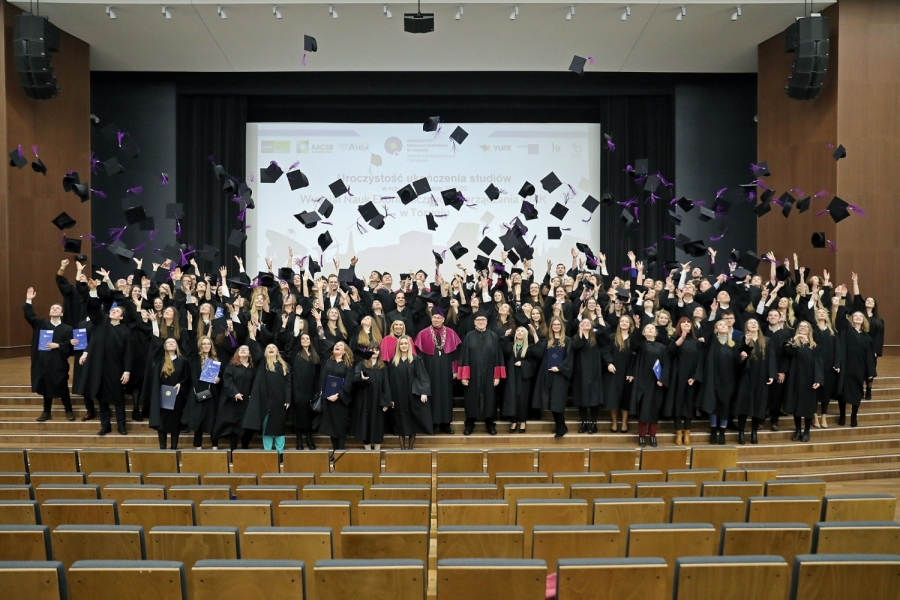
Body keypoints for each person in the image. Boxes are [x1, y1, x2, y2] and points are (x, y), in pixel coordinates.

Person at [79, 303, 133, 436]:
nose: (113, 312)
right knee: (102, 399)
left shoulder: (126, 331)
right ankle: (105, 426)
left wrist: (127, 371)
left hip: (116, 369)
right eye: (112, 310)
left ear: (121, 317)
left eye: (117, 311)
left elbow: (128, 353)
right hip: (100, 368)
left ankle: (121, 426)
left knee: (119, 399)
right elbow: (94, 310)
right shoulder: (101, 324)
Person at [24, 287, 75, 422]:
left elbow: (71, 346)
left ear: (62, 313)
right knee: (46, 386)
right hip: (43, 362)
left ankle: (69, 410)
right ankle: (46, 412)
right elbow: (30, 316)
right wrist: (29, 300)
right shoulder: (41, 324)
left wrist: (58, 345)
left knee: (62, 386)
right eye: (52, 308)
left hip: (59, 362)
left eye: (57, 308)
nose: (54, 309)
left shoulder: (67, 329)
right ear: (49, 312)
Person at [243, 323, 292, 458]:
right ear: (265, 351)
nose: (271, 348)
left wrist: (288, 399)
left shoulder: (284, 365)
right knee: (267, 428)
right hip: (265, 400)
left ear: (277, 351)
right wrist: (252, 333)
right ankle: (268, 452)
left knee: (279, 427)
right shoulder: (262, 362)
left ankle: (280, 452)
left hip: (280, 400)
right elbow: (254, 348)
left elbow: (289, 384)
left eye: (273, 347)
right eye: (268, 347)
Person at [413, 309, 462, 434]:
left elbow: (456, 354)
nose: (436, 320)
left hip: (446, 370)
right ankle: (433, 423)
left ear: (443, 319)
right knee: (432, 395)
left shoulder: (451, 333)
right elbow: (420, 355)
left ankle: (446, 424)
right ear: (431, 318)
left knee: (446, 396)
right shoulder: (423, 334)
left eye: (439, 318)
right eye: (434, 317)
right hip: (430, 370)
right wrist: (422, 372)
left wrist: (455, 370)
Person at [457, 314, 507, 435]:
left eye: (483, 319)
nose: (480, 322)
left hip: (489, 374)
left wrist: (497, 376)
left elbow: (498, 357)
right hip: (473, 375)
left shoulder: (494, 336)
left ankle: (490, 424)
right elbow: (464, 357)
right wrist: (464, 376)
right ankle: (469, 424)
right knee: (471, 399)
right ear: (474, 322)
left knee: (490, 399)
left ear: (486, 322)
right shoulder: (469, 337)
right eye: (478, 320)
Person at [834, 291, 876, 427]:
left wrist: (870, 372)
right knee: (842, 393)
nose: (858, 317)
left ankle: (853, 416)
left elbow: (869, 356)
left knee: (857, 394)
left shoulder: (867, 337)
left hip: (859, 369)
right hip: (846, 366)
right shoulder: (847, 329)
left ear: (863, 320)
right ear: (852, 318)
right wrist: (842, 298)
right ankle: (842, 416)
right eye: (855, 316)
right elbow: (840, 318)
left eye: (860, 316)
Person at [701, 320, 745, 445]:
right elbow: (707, 332)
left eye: (725, 325)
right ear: (715, 329)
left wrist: (742, 359)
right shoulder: (713, 342)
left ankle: (722, 433)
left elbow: (737, 365)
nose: (723, 326)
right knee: (714, 406)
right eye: (720, 325)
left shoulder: (733, 345)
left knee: (725, 407)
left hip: (728, 381)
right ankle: (713, 431)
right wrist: (713, 314)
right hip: (713, 379)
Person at [733, 318, 776, 444]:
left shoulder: (767, 341)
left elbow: (771, 359)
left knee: (758, 405)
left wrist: (771, 374)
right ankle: (741, 432)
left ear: (758, 327)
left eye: (755, 323)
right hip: (745, 375)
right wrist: (746, 343)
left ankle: (754, 432)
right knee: (743, 404)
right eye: (750, 323)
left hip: (761, 376)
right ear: (746, 326)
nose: (753, 324)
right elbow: (738, 357)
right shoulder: (740, 339)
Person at [387, 336, 433, 449]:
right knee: (400, 421)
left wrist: (423, 392)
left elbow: (422, 376)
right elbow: (390, 381)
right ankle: (402, 449)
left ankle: (410, 448)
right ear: (398, 346)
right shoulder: (393, 362)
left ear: (409, 345)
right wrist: (390, 398)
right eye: (401, 344)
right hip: (398, 396)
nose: (403, 346)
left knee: (412, 422)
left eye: (405, 344)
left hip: (412, 396)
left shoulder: (415, 359)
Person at [144, 337, 190, 449]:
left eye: (173, 342)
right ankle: (162, 448)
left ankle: (174, 447)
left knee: (175, 422)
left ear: (177, 346)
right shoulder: (160, 361)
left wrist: (181, 383)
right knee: (162, 423)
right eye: (168, 342)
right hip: (162, 395)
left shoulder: (183, 361)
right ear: (164, 346)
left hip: (176, 395)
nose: (171, 344)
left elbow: (187, 378)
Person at [782, 321, 824, 442]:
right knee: (796, 407)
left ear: (809, 330)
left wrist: (818, 379)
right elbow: (787, 351)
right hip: (795, 379)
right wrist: (795, 339)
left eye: (805, 327)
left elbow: (818, 364)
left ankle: (806, 431)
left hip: (809, 380)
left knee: (808, 407)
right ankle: (798, 430)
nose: (803, 328)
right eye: (801, 327)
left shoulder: (814, 346)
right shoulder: (794, 344)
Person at [665, 317, 704, 446]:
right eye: (683, 323)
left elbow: (700, 361)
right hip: (677, 377)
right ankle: (678, 432)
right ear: (679, 326)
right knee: (677, 404)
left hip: (690, 378)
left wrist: (695, 377)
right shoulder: (674, 340)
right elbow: (671, 351)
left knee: (688, 405)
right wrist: (681, 337)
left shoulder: (696, 343)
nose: (686, 325)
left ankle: (687, 433)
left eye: (688, 323)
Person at [532, 316, 573, 438]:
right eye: (554, 325)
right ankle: (559, 425)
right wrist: (534, 334)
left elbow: (569, 358)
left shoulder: (567, 340)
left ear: (561, 326)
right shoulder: (547, 340)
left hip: (560, 375)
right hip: (548, 373)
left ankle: (562, 426)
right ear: (551, 327)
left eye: (558, 324)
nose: (556, 326)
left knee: (558, 401)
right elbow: (538, 352)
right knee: (551, 400)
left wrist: (560, 368)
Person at [629, 322, 669, 447]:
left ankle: (652, 436)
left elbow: (666, 364)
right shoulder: (641, 345)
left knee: (654, 410)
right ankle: (641, 436)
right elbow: (633, 344)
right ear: (644, 332)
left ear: (656, 333)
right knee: (643, 410)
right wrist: (637, 327)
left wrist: (662, 379)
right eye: (648, 328)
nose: (650, 329)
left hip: (656, 382)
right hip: (642, 381)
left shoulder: (662, 347)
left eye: (652, 328)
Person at [213, 345, 256, 451]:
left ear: (250, 354)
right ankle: (233, 450)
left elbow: (256, 383)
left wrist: (253, 394)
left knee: (246, 425)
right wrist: (234, 393)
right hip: (233, 401)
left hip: (247, 402)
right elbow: (228, 381)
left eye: (246, 349)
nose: (243, 350)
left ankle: (245, 449)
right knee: (233, 427)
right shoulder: (231, 366)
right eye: (240, 349)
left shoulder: (253, 368)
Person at [184, 331, 222, 449]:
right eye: (204, 344)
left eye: (208, 344)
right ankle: (197, 445)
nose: (206, 346)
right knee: (198, 419)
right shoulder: (194, 358)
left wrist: (218, 379)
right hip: (197, 391)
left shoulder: (215, 359)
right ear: (200, 345)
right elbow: (189, 345)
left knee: (212, 419)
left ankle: (215, 445)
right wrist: (190, 327)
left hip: (212, 392)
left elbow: (221, 376)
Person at [317, 341, 355, 453]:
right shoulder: (328, 362)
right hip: (328, 399)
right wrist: (326, 395)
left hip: (341, 401)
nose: (337, 346)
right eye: (336, 345)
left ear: (345, 350)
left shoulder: (348, 364)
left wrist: (338, 395)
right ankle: (334, 450)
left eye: (340, 345)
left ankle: (340, 451)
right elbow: (322, 380)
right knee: (331, 428)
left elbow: (349, 383)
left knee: (340, 427)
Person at [570, 318, 606, 434]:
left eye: (589, 322)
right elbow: (576, 345)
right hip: (581, 372)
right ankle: (584, 422)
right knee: (582, 398)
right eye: (583, 322)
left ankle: (594, 423)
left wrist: (600, 315)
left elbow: (604, 331)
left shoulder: (596, 337)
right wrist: (580, 332)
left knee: (594, 398)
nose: (586, 324)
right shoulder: (577, 337)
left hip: (594, 371)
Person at [351, 348, 391, 450]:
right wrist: (362, 379)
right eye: (372, 350)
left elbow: (386, 384)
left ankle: (377, 451)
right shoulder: (361, 365)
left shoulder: (382, 366)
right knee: (365, 424)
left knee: (378, 424)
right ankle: (368, 451)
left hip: (378, 400)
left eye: (377, 350)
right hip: (364, 399)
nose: (375, 352)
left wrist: (386, 402)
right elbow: (355, 379)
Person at [602, 315, 635, 433]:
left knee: (625, 398)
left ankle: (624, 422)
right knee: (613, 398)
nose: (624, 323)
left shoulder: (633, 339)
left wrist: (632, 372)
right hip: (613, 371)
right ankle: (614, 421)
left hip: (627, 372)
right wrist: (609, 363)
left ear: (630, 324)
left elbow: (636, 357)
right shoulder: (612, 337)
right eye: (622, 321)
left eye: (627, 321)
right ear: (619, 323)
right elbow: (605, 351)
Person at [501, 326, 538, 433]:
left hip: (523, 377)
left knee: (522, 399)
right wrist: (505, 336)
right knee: (512, 398)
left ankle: (522, 421)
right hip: (512, 376)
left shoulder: (529, 347)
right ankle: (513, 420)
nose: (520, 332)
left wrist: (523, 363)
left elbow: (533, 362)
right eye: (518, 330)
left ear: (526, 334)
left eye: (522, 331)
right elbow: (502, 350)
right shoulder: (511, 346)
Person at [290, 332, 319, 450]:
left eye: (308, 338)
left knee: (309, 416)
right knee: (299, 416)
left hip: (311, 390)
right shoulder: (295, 354)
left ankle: (309, 438)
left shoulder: (314, 355)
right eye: (303, 338)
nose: (305, 340)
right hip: (298, 390)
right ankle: (299, 440)